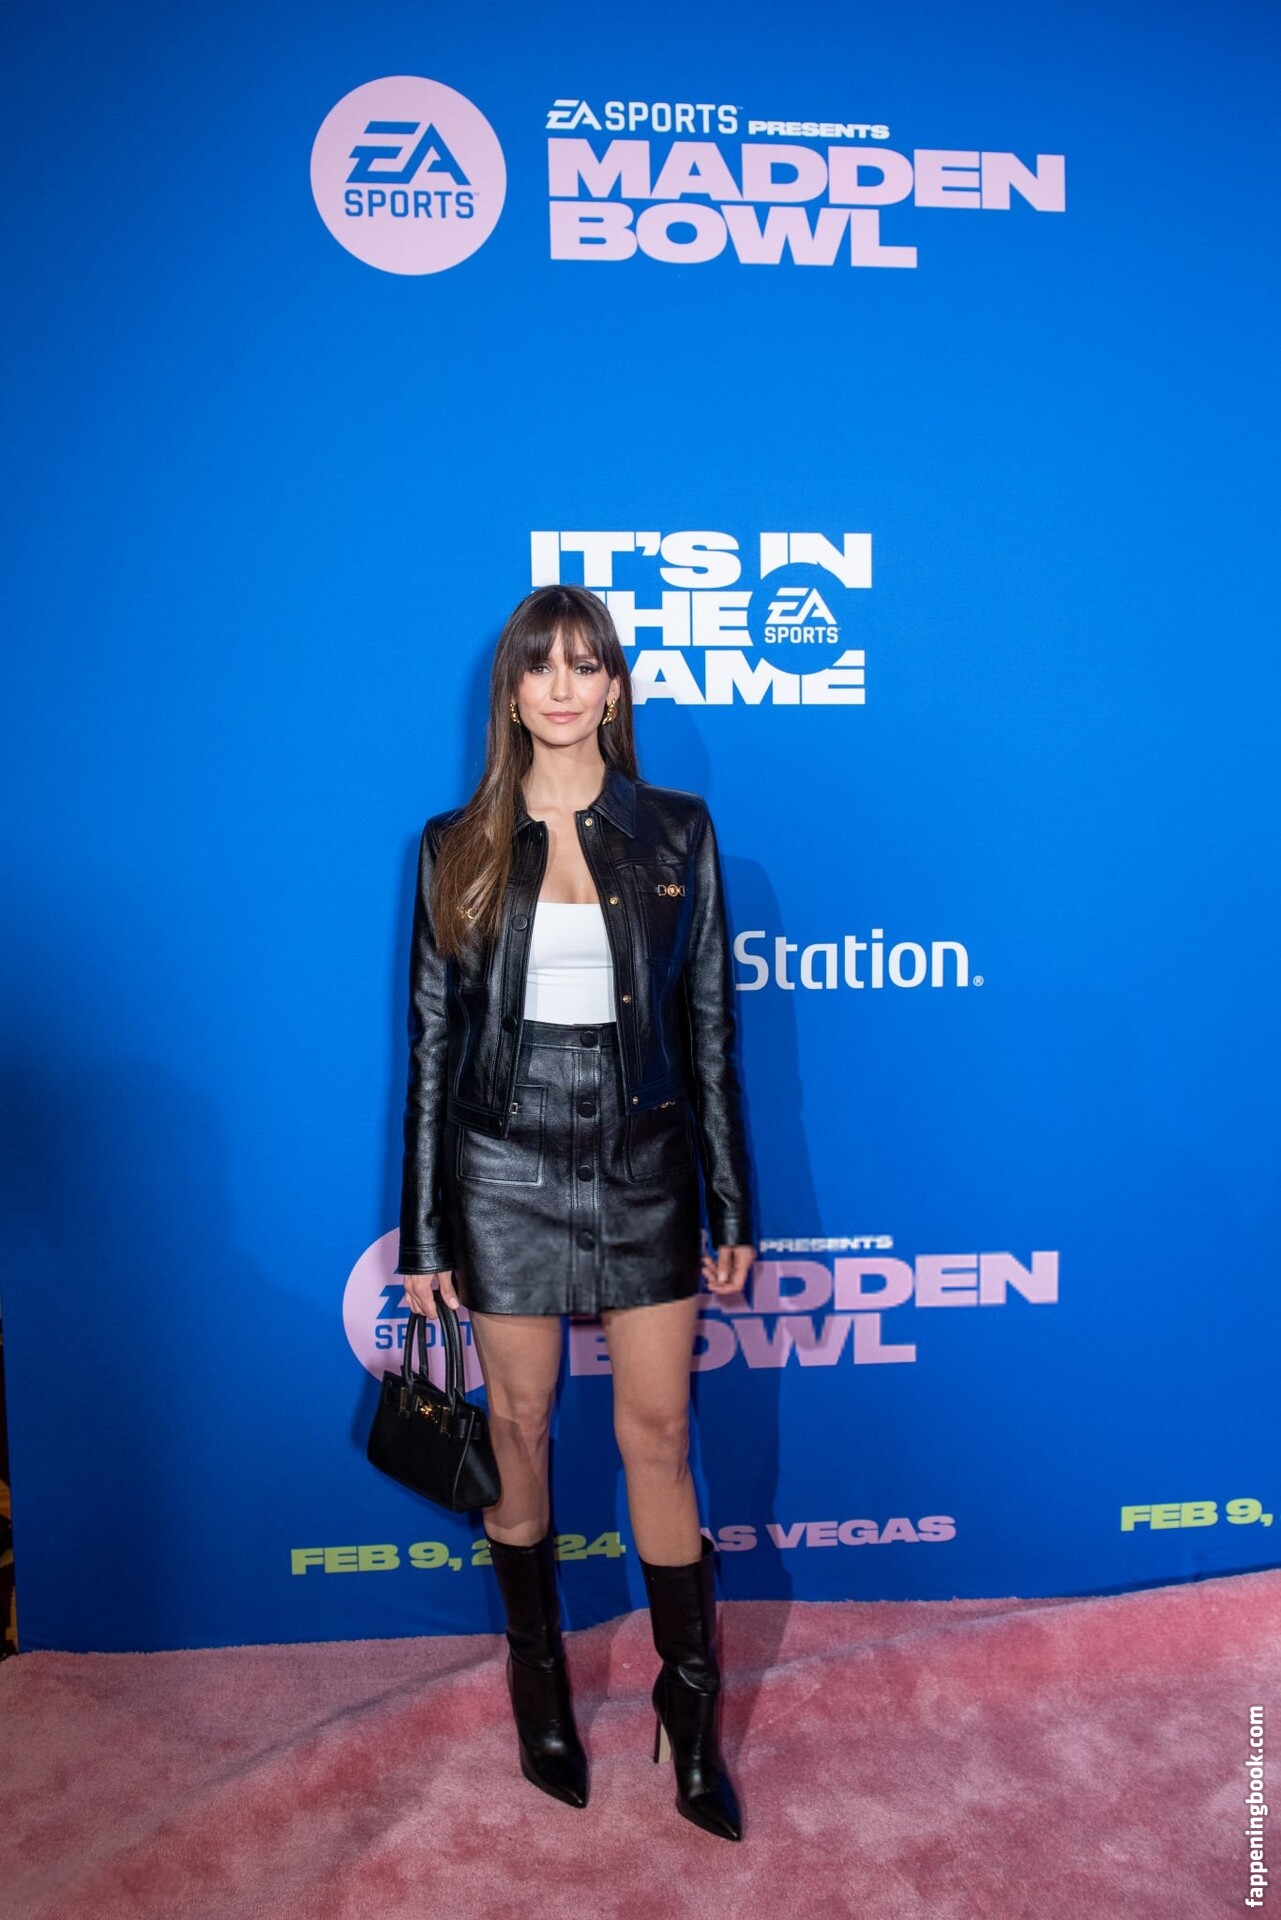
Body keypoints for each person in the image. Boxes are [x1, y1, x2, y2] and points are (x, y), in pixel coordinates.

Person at [395, 583, 757, 1842]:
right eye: (539, 665)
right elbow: (431, 1050)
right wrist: (427, 1232)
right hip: (500, 1168)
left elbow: (709, 1031)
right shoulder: (453, 845)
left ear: (613, 688)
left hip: (644, 1160)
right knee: (522, 1428)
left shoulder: (677, 831)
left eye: (584, 663)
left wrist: (731, 1203)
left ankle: (689, 1707)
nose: (561, 686)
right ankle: (539, 1686)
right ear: (511, 691)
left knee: (659, 1433)